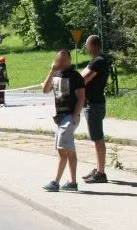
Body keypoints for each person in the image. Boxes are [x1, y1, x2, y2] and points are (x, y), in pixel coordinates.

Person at [41, 50, 85, 192]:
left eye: (64, 60)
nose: (62, 62)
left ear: (70, 60)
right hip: (60, 117)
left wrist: (75, 115)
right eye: (59, 60)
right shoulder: (55, 74)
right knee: (70, 151)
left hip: (69, 116)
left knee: (62, 150)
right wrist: (51, 71)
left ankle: (55, 182)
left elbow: (81, 97)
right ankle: (72, 183)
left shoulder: (75, 76)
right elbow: (45, 89)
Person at [81, 35, 110, 184]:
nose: (86, 48)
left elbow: (83, 78)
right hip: (96, 103)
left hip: (94, 104)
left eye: (87, 45)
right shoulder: (100, 60)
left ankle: (101, 173)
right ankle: (98, 168)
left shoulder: (98, 62)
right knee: (96, 138)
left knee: (98, 139)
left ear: (93, 46)